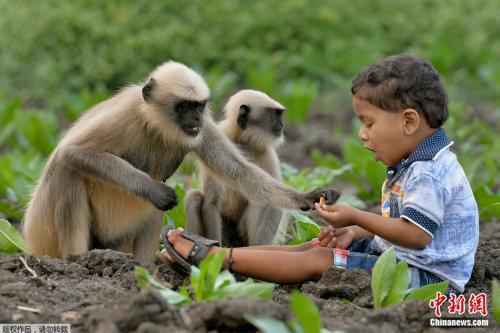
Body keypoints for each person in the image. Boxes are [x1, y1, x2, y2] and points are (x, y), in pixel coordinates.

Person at [161, 54, 479, 293]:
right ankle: (222, 255)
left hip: (428, 282)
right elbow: (407, 226)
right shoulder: (416, 163)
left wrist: (356, 217)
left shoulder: (429, 172)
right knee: (316, 247)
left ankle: (215, 259)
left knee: (319, 262)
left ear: (409, 123)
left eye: (369, 124)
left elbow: (416, 235)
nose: (362, 135)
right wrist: (357, 233)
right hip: (399, 259)